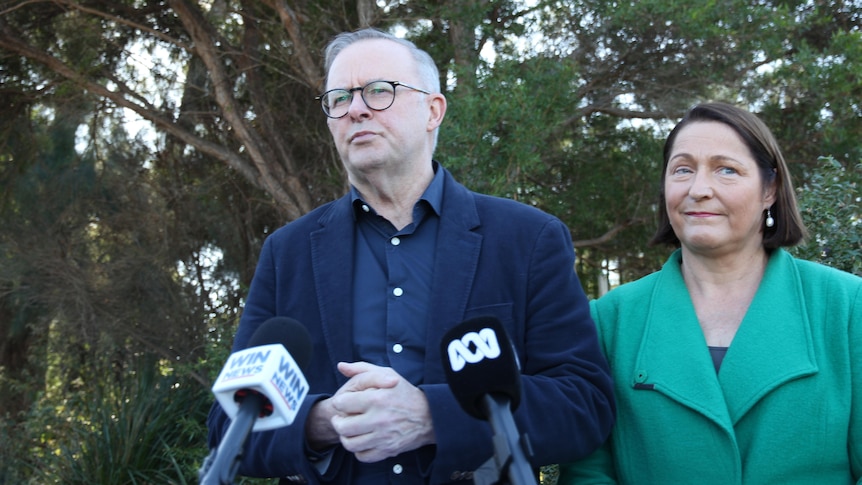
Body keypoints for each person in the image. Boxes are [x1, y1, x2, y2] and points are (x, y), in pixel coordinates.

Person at [207, 28, 616, 484]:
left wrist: (432, 416)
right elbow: (227, 425)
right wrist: (320, 422)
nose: (356, 109)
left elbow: (584, 405)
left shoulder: (527, 239)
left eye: (379, 91)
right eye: (339, 98)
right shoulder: (289, 253)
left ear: (433, 110)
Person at [559, 101, 862, 484]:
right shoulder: (611, 319)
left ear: (770, 189)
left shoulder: (848, 307)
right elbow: (587, 472)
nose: (699, 189)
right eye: (682, 169)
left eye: (726, 170)